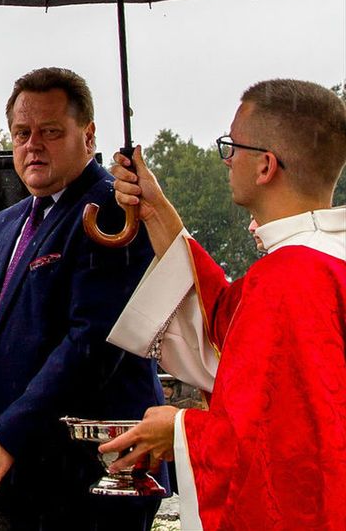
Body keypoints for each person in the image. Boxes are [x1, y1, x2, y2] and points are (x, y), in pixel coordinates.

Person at [0, 67, 165, 530]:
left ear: (88, 137)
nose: (33, 145)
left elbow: (92, 346)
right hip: (25, 481)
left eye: (50, 132)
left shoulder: (115, 213)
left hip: (91, 475)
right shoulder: (4, 224)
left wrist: (6, 437)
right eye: (22, 133)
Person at [101, 79, 346, 531]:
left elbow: (274, 452)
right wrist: (155, 209)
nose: (227, 158)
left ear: (266, 165)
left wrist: (175, 429)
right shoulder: (322, 259)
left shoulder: (288, 280)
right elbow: (225, 323)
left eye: (233, 146)